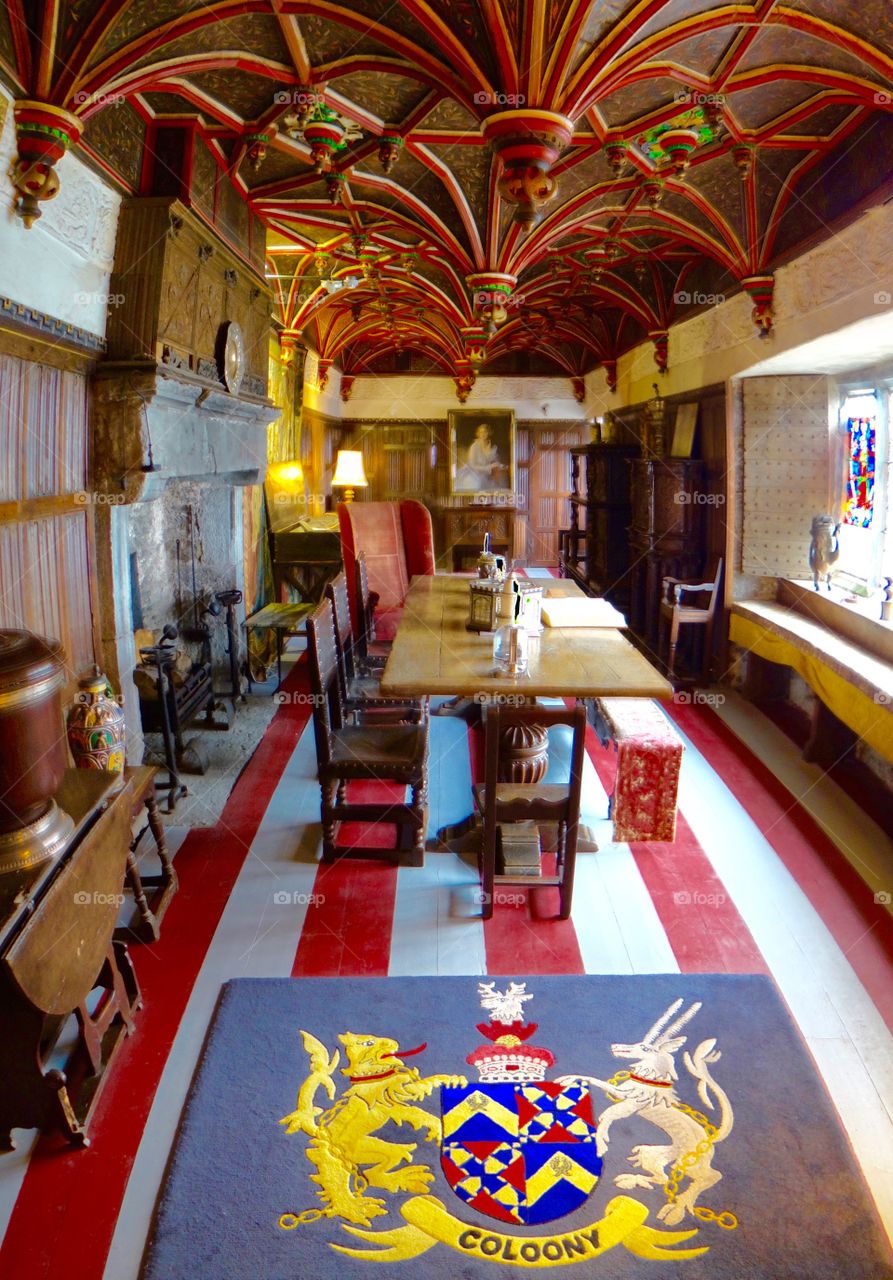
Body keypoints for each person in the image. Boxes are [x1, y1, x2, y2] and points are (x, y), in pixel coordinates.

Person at [455, 423, 508, 490]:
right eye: (481, 432)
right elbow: (472, 465)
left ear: (489, 433)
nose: (483, 434)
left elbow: (494, 462)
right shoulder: (474, 446)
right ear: (478, 434)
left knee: (500, 481)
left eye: (485, 432)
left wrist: (502, 466)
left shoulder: (491, 447)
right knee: (477, 484)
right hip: (473, 473)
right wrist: (487, 467)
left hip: (485, 474)